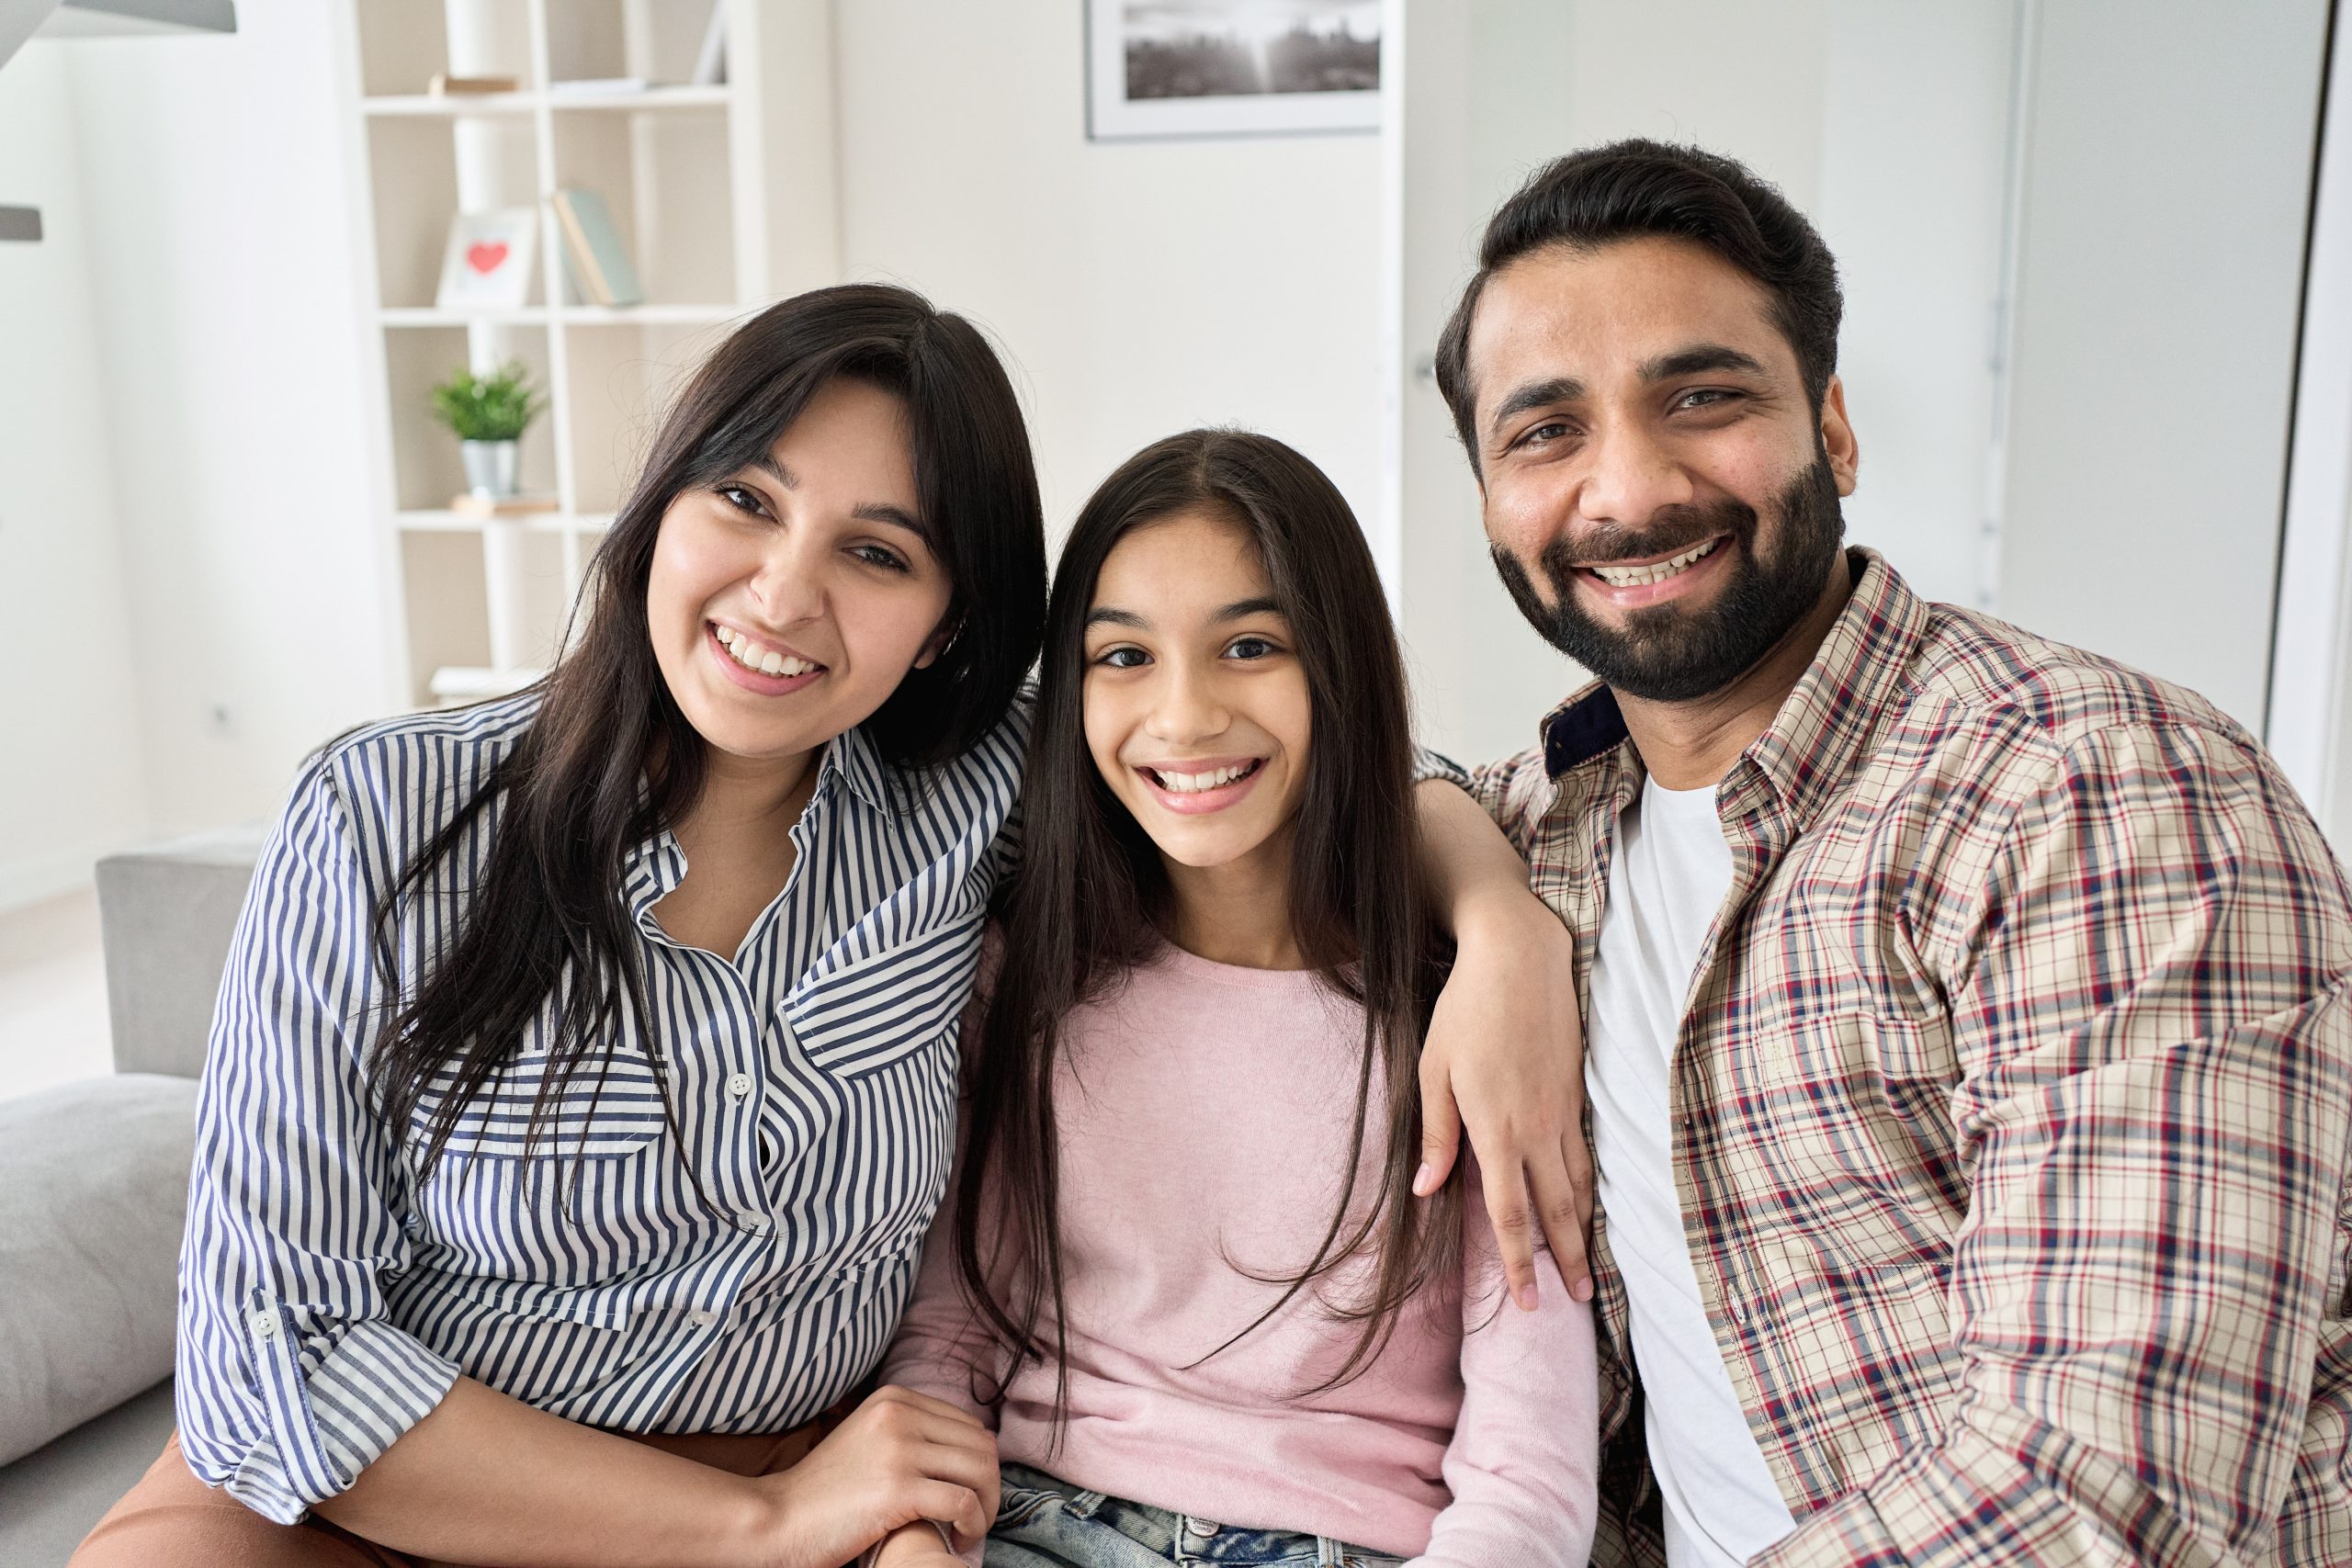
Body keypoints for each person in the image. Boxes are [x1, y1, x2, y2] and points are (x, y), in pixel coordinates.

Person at [73, 287, 1586, 1568]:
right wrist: (765, 1519)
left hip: (794, 1475)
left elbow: (1289, 751)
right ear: (662, 499)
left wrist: (1505, 932)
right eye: (745, 499)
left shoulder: (975, 787)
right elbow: (274, 1360)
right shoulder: (382, 821)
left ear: (945, 615)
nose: (783, 595)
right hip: (406, 1489)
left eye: (877, 549)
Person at [1427, 139, 2352, 1566]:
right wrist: (1491, 916)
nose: (1630, 486)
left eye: (1703, 396)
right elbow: (1345, 776)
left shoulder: (2089, 789)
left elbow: (2096, 1497)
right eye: (1545, 432)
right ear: (1491, 501)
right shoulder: (1560, 815)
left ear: (1834, 431)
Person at [873, 429, 1600, 1568]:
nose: (1184, 716)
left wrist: (1499, 923)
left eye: (1249, 644)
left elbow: (1529, 1470)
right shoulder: (1024, 978)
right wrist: (916, 1539)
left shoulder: (1466, 1015)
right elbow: (949, 1343)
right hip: (1033, 1519)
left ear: (1340, 666)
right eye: (1123, 658)